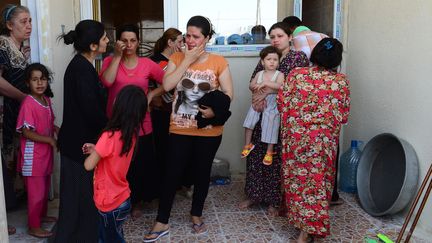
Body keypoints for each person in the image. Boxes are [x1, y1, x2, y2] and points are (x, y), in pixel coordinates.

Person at [144, 15, 233, 242]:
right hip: (180, 128)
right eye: (188, 35)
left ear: (207, 38)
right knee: (171, 173)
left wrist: (214, 112)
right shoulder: (176, 57)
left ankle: (196, 215)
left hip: (208, 129)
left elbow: (229, 94)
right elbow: (167, 85)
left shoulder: (218, 61)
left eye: (196, 36)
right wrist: (186, 59)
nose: (190, 40)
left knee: (201, 174)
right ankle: (162, 220)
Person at [277, 38, 350, 242]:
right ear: (336, 59)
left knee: (298, 182)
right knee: (318, 183)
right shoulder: (341, 81)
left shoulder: (296, 75)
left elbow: (282, 104)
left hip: (296, 141)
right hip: (322, 144)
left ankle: (304, 227)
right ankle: (310, 229)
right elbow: (343, 115)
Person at [240, 22, 309, 216]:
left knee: (275, 156)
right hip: (261, 110)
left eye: (279, 35)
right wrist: (257, 98)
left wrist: (266, 92)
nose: (275, 40)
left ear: (289, 37)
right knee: (255, 153)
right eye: (272, 36)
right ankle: (254, 195)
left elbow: (297, 86)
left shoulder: (298, 57)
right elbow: (253, 82)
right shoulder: (268, 55)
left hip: (283, 114)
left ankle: (273, 200)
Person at [99, 24, 165, 218]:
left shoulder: (147, 64)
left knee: (139, 164)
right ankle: (119, 201)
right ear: (118, 42)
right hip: (116, 124)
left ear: (138, 42)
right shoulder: (110, 60)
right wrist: (117, 56)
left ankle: (137, 202)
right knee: (117, 166)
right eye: (124, 40)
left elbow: (168, 80)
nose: (128, 44)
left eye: (132, 40)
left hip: (142, 123)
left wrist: (152, 93)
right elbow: (107, 82)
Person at [55, 19, 109, 242]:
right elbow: (90, 109)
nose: (108, 41)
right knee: (79, 197)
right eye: (104, 38)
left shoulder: (83, 65)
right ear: (93, 46)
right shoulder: (81, 69)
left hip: (78, 141)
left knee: (79, 197)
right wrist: (109, 130)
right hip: (79, 144)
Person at [83, 85, 148, 243]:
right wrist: (97, 149)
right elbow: (114, 155)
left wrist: (97, 150)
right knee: (113, 236)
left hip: (109, 203)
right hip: (123, 199)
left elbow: (88, 166)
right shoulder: (130, 134)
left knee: (109, 239)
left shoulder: (109, 135)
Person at [0, 4, 32, 235]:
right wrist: (24, 98)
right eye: (23, 21)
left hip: (19, 111)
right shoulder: (3, 45)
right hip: (6, 110)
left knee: (16, 159)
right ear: (9, 26)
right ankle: (3, 219)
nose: (29, 26)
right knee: (4, 161)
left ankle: (14, 208)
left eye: (30, 21)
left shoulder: (23, 48)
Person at [16, 63, 57, 238]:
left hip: (45, 155)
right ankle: (34, 225)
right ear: (27, 83)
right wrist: (49, 139)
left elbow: (49, 123)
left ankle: (41, 216)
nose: (39, 83)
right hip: (33, 158)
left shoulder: (46, 100)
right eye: (35, 79)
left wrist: (58, 130)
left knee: (45, 187)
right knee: (36, 193)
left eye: (43, 79)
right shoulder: (28, 103)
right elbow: (26, 131)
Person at [149, 27, 183, 184]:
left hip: (176, 112)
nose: (183, 45)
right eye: (180, 41)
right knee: (164, 150)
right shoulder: (158, 61)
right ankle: (165, 184)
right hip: (162, 112)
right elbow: (170, 84)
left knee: (176, 150)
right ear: (170, 42)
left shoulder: (177, 60)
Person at [241, 46, 284, 166]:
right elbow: (251, 85)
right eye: (269, 59)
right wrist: (254, 87)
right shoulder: (259, 73)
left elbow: (281, 86)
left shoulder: (279, 74)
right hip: (257, 101)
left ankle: (269, 151)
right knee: (249, 121)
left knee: (271, 124)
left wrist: (266, 83)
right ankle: (247, 144)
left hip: (271, 103)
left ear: (278, 62)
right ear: (262, 62)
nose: (272, 62)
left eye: (275, 59)